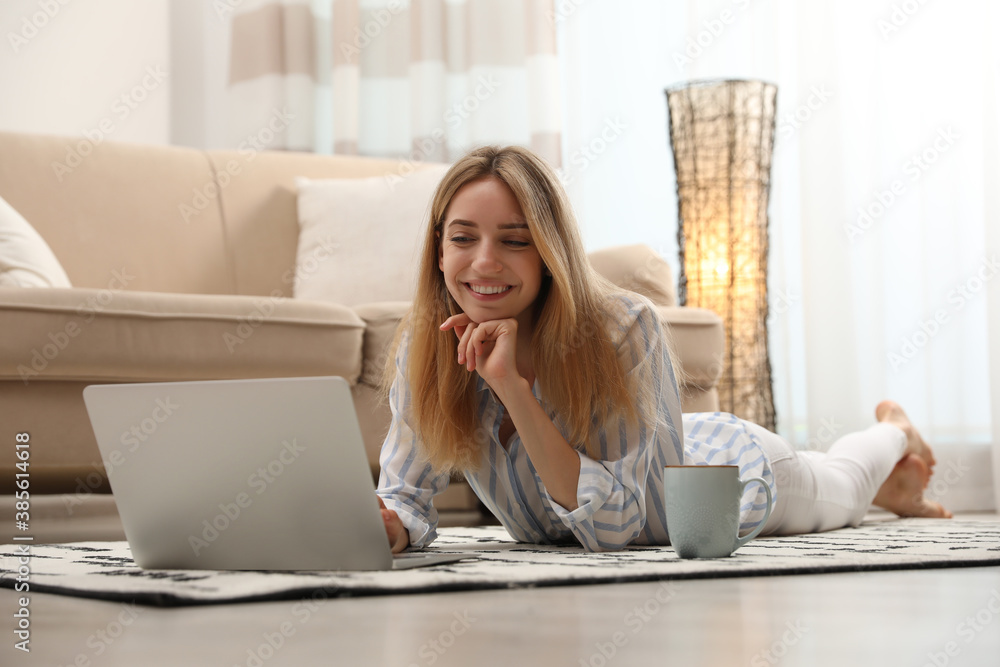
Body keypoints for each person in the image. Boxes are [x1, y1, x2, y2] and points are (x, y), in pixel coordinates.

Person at [375, 145, 950, 554]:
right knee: (843, 480)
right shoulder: (427, 350)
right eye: (463, 238)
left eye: (515, 241)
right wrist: (391, 527)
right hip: (667, 448)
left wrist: (512, 389)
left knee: (842, 487)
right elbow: (403, 496)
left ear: (549, 252)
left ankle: (895, 432)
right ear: (439, 249)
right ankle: (897, 483)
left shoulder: (623, 329)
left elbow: (615, 526)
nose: (484, 262)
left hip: (720, 480)